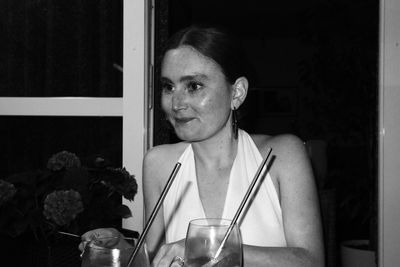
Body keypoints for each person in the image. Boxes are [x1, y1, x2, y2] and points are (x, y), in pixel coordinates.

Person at [81, 25, 325, 267]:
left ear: (237, 93)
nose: (176, 103)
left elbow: (312, 260)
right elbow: (156, 256)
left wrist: (206, 248)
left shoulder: (283, 155)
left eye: (193, 86)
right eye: (168, 87)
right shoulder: (158, 163)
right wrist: (121, 248)